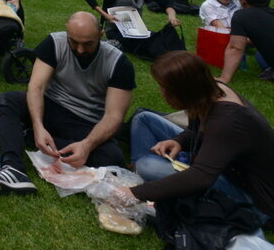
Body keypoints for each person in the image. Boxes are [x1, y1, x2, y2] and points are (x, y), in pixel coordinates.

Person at [0, 12, 135, 195]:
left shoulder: (119, 64)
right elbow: (36, 87)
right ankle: (14, 168)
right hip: (51, 107)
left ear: (101, 35)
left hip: (85, 122)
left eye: (88, 43)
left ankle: (26, 136)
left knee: (113, 157)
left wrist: (87, 145)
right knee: (9, 99)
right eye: (74, 42)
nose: (81, 50)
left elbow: (114, 117)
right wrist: (38, 125)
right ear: (67, 33)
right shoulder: (54, 43)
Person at [112, 52, 274, 225]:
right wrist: (179, 141)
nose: (163, 94)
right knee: (144, 119)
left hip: (253, 197)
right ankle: (142, 180)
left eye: (167, 89)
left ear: (186, 90)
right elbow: (198, 131)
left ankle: (141, 185)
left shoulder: (226, 122)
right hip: (221, 163)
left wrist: (136, 194)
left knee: (147, 166)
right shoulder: (210, 91)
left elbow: (200, 177)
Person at [218, 0, 274, 83]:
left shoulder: (242, 16)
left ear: (243, 1)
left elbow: (236, 48)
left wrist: (224, 78)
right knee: (259, 54)